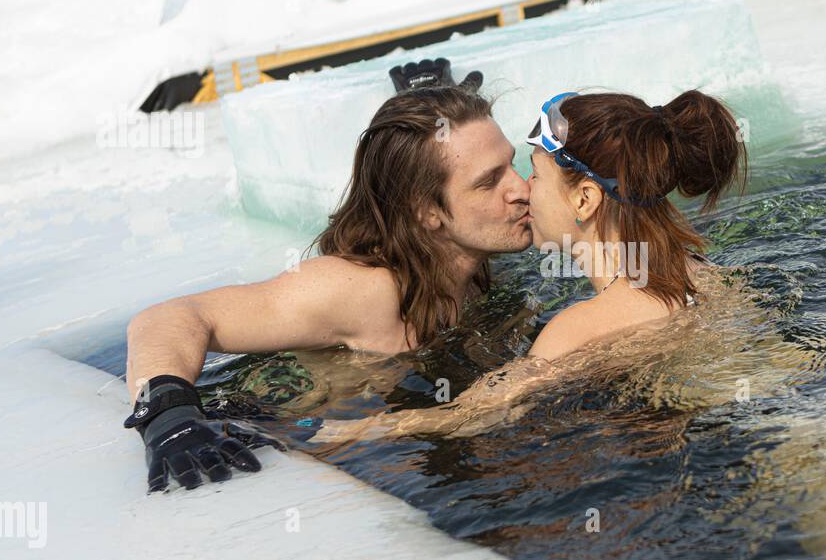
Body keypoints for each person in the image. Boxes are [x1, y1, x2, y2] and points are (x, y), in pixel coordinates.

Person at [123, 60, 532, 492]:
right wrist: (170, 419)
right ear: (426, 211)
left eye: (510, 164)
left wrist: (426, 104)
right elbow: (166, 317)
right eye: (489, 182)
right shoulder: (362, 290)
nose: (522, 188)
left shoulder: (474, 246)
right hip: (258, 433)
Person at [310, 87, 748, 446]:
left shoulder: (578, 329)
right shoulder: (698, 271)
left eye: (536, 174)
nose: (523, 190)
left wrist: (351, 431)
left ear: (584, 199)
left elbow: (479, 414)